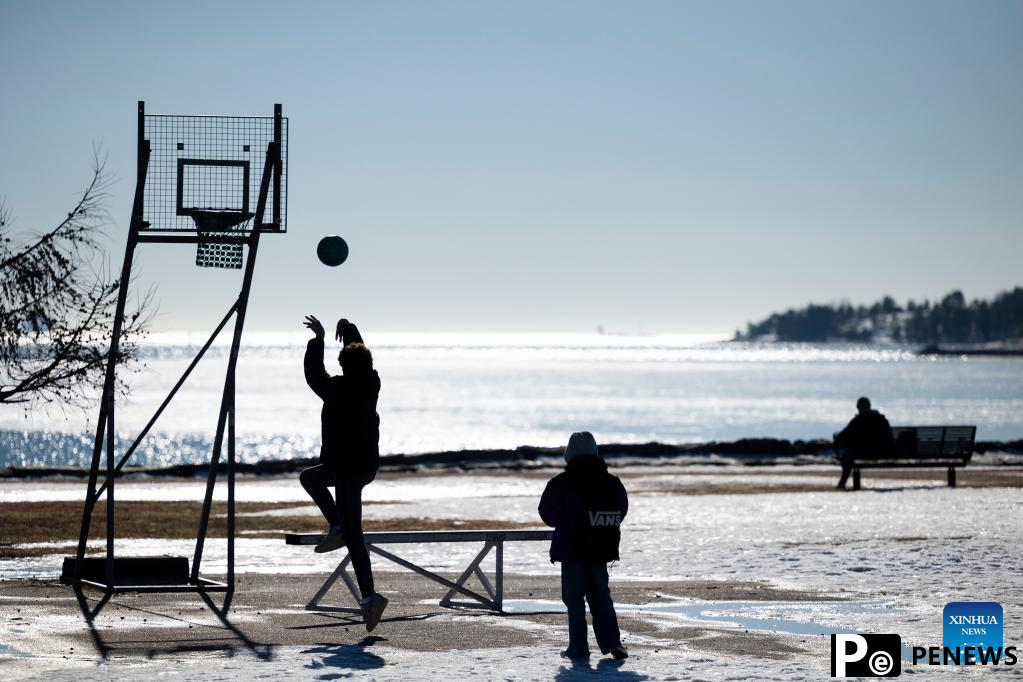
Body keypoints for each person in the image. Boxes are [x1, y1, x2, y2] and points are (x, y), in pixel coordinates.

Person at [299, 314, 388, 631]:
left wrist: (319, 339)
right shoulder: (372, 384)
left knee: (354, 535)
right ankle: (336, 524)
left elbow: (313, 374)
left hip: (345, 469)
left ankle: (370, 597)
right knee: (311, 478)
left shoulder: (335, 389)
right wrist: (348, 329)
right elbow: (363, 354)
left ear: (345, 366)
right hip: (363, 467)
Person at [538, 431, 629, 661]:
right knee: (601, 597)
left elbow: (546, 513)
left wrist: (567, 522)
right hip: (600, 549)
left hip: (572, 551)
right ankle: (613, 643)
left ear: (570, 454)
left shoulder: (560, 482)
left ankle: (578, 648)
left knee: (574, 600)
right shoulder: (611, 482)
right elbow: (621, 509)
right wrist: (598, 526)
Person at [834, 396, 894, 489]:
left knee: (848, 456)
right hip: (880, 452)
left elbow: (842, 436)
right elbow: (890, 438)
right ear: (869, 406)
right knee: (850, 455)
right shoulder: (882, 420)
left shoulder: (858, 421)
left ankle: (843, 482)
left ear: (859, 407)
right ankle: (842, 482)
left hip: (861, 453)